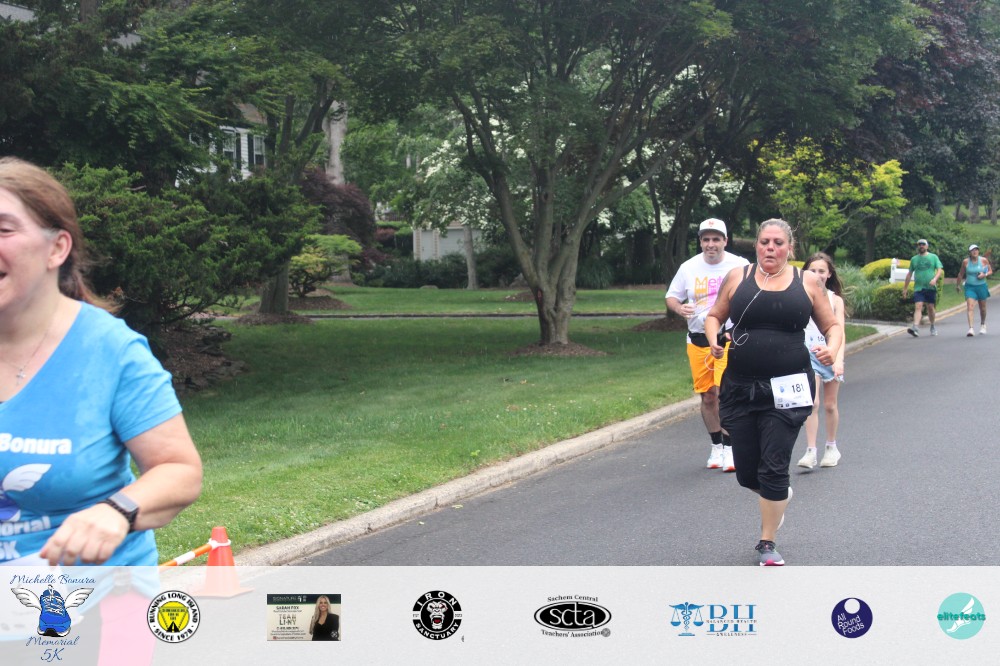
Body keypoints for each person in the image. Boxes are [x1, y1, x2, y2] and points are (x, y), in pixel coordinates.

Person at [0, 156, 202, 566]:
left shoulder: (110, 351)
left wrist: (117, 511)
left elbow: (179, 470)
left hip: (92, 596)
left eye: (3, 230)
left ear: (57, 248)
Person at [705, 219, 841, 566]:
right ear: (756, 245)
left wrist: (832, 349)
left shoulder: (807, 282)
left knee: (774, 466)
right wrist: (713, 339)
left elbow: (832, 326)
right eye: (765, 241)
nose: (770, 247)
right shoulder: (738, 277)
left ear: (789, 248)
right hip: (740, 387)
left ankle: (767, 542)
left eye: (778, 242)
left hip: (788, 387)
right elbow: (715, 316)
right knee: (748, 474)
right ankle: (778, 496)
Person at [665, 218, 749, 472]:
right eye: (706, 239)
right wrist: (679, 308)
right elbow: (671, 296)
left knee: (725, 392)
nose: (711, 244)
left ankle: (731, 449)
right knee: (708, 395)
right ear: (701, 242)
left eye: (716, 239)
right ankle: (717, 446)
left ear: (725, 241)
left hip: (728, 338)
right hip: (697, 339)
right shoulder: (688, 267)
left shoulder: (740, 265)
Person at [796, 253, 846, 469]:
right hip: (808, 354)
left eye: (821, 271)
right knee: (812, 403)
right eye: (812, 270)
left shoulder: (836, 300)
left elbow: (840, 331)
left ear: (829, 274)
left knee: (830, 405)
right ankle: (811, 451)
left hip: (830, 355)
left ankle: (831, 446)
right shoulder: (801, 296)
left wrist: (838, 359)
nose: (817, 275)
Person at [902, 239, 944, 337]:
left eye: (923, 244)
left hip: (930, 287)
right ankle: (915, 328)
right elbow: (909, 274)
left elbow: (939, 270)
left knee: (930, 307)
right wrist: (905, 288)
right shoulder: (914, 259)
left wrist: (935, 279)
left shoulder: (933, 257)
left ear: (927, 246)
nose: (921, 246)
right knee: (918, 306)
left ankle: (932, 326)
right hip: (919, 288)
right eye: (919, 245)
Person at [956, 244, 991, 336]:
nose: (975, 252)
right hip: (970, 287)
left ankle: (983, 324)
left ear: (978, 251)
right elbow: (961, 273)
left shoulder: (983, 260)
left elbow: (990, 271)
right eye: (972, 250)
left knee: (982, 308)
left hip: (981, 286)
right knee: (970, 306)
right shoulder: (965, 262)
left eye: (976, 250)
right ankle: (971, 328)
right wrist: (958, 285)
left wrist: (984, 275)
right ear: (970, 252)